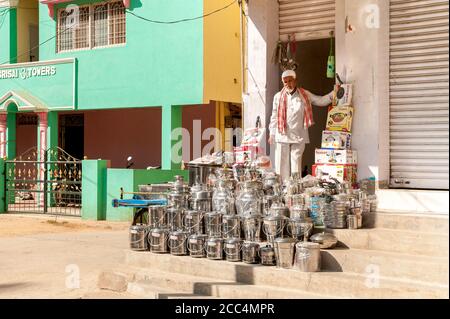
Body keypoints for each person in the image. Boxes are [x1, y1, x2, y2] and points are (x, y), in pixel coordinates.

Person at [268, 69, 334, 182]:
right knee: (281, 165)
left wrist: (334, 93)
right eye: (285, 82)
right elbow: (274, 116)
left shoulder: (304, 94)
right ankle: (282, 189)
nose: (288, 84)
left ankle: (294, 189)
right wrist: (272, 134)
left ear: (295, 80)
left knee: (296, 164)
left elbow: (320, 100)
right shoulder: (278, 97)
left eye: (290, 81)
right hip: (282, 135)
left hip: (299, 135)